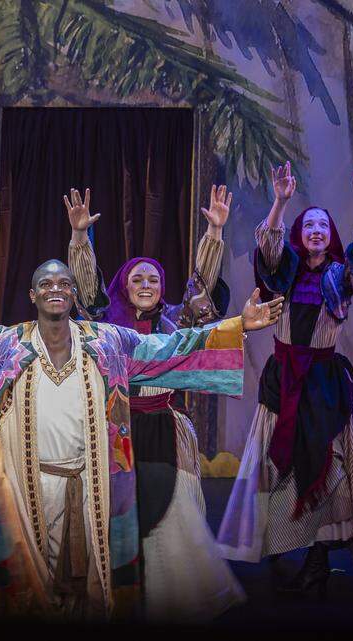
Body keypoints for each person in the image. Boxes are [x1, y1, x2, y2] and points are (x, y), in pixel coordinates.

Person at [0, 260, 283, 620]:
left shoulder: (109, 341)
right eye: (47, 283)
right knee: (27, 591)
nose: (56, 289)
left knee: (90, 586)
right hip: (27, 488)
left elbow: (173, 348)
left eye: (64, 283)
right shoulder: (1, 344)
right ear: (32, 294)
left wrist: (239, 326)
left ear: (74, 294)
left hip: (94, 487)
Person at [65, 185, 244, 621]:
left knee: (171, 512)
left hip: (164, 429)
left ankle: (167, 600)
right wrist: (79, 239)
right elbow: (86, 292)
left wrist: (214, 234)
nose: (145, 285)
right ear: (124, 286)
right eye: (136, 278)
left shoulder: (175, 322)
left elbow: (201, 290)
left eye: (153, 279)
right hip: (116, 433)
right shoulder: (106, 324)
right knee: (115, 516)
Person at [217, 160, 353, 594]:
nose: (316, 230)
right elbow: (269, 249)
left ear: (331, 236)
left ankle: (317, 557)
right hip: (284, 379)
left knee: (328, 465)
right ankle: (277, 541)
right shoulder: (287, 271)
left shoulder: (343, 273)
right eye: (309, 224)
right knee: (277, 462)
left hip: (324, 382)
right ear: (301, 234)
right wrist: (279, 201)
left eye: (323, 226)